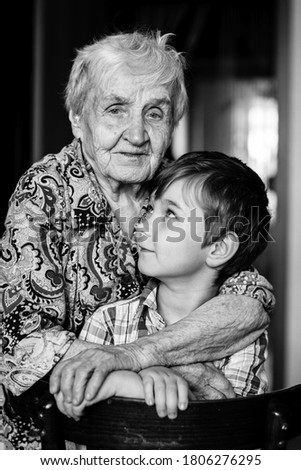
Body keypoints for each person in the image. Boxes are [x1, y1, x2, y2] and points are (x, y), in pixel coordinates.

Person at [0, 30, 274, 450]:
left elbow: (248, 299)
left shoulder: (176, 185)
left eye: (155, 113)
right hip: (58, 439)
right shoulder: (45, 193)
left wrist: (137, 356)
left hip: (171, 439)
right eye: (115, 109)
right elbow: (23, 340)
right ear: (78, 117)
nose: (137, 134)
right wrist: (158, 373)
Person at [55, 151, 271, 422]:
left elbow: (235, 434)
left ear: (218, 248)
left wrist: (131, 382)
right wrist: (142, 380)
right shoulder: (108, 320)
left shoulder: (243, 338)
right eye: (150, 209)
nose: (143, 224)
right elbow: (74, 402)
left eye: (170, 214)